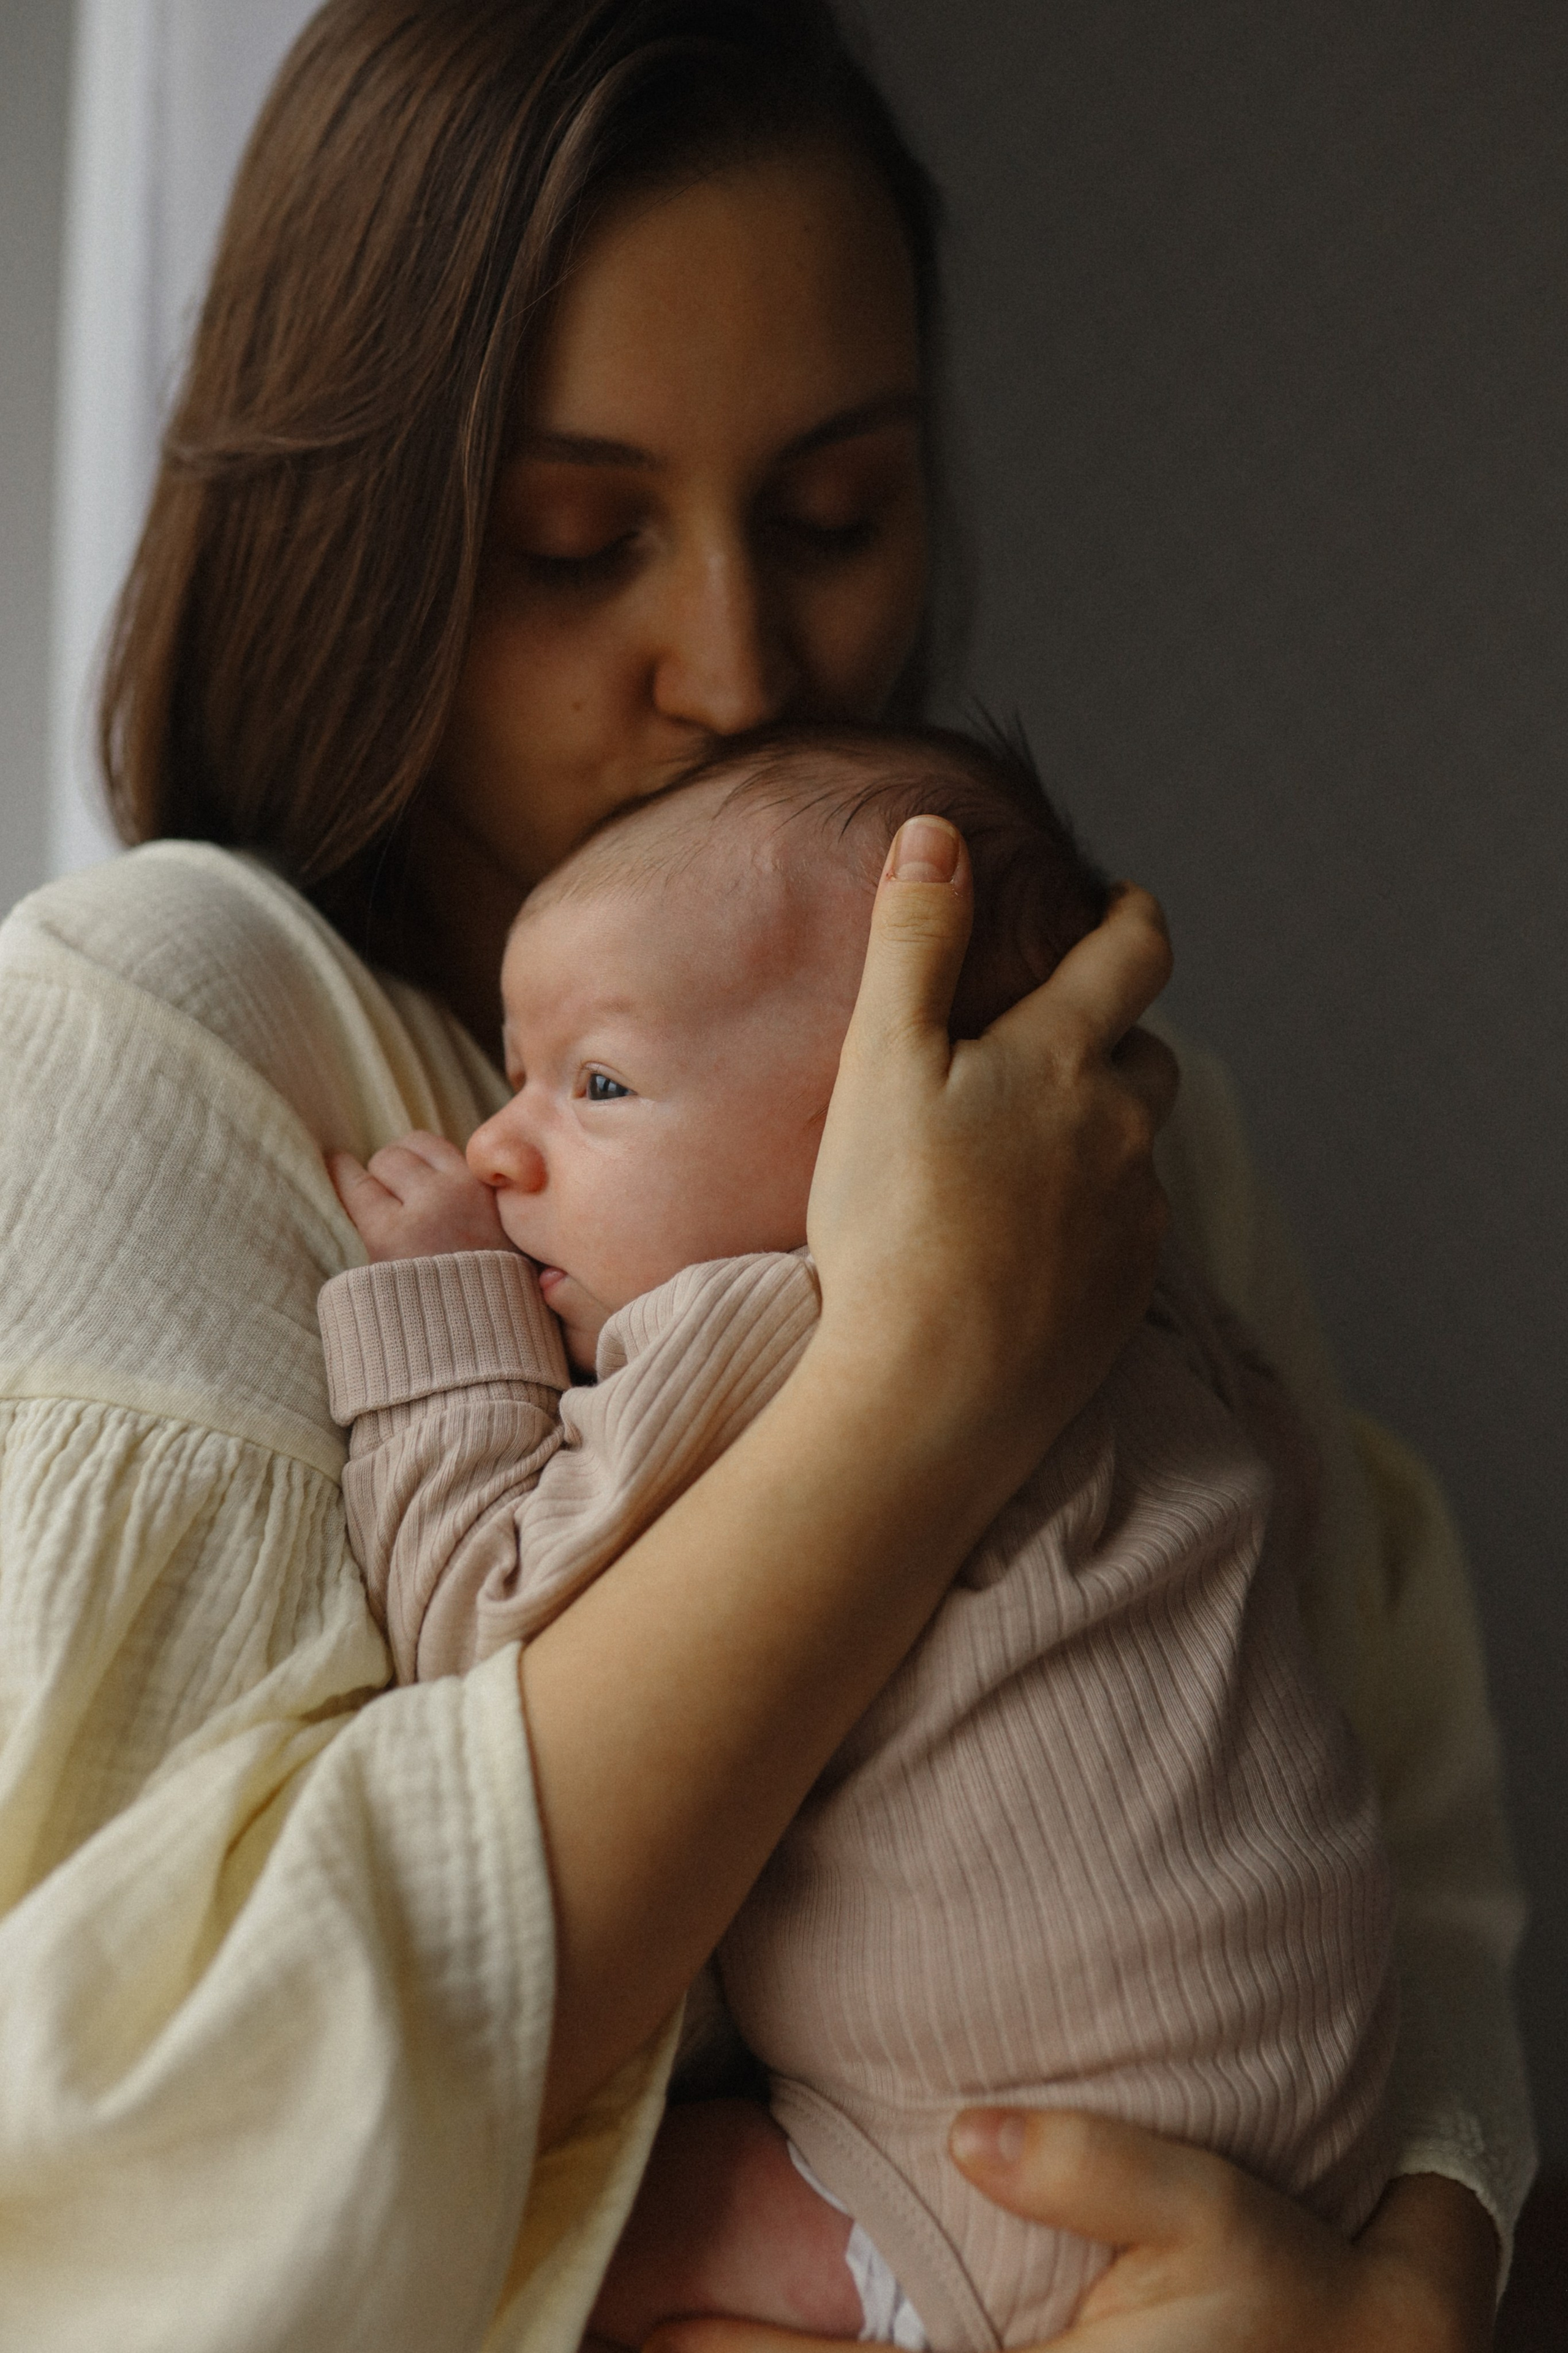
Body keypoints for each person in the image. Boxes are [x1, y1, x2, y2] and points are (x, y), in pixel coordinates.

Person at [0, 2, 1527, 2348]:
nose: (736, 663)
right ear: (360, 539)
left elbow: (1399, 1849)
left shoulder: (1103, 1123)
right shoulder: (170, 1033)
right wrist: (920, 1383)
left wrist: (1407, 2288)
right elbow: (134, 2146)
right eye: (573, 543)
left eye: (833, 514)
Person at [315, 718, 1401, 2351]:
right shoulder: (1133, 1285)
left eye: (597, 1084)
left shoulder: (748, 1327)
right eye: (513, 1069)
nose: (497, 1142)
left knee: (555, 2230)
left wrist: (441, 1311)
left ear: (873, 1139)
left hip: (1014, 2193)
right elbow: (1297, 1496)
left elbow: (482, 1633)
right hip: (1338, 2105)